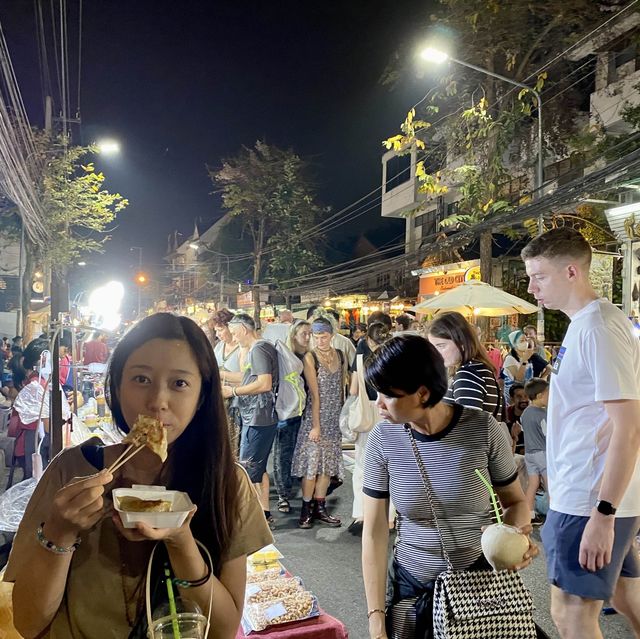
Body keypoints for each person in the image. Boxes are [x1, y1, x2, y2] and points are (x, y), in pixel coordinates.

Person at [5, 312, 273, 639]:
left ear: (202, 395)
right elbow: (28, 621)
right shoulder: (71, 471)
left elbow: (223, 630)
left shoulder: (227, 483)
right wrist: (60, 532)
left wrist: (180, 541)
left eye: (179, 383)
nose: (157, 402)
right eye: (141, 379)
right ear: (116, 387)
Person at [361, 334, 535, 639]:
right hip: (411, 588)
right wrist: (376, 620)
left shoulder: (482, 428)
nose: (378, 404)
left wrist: (511, 540)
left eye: (387, 394)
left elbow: (515, 502)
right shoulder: (382, 439)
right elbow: (374, 531)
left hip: (477, 587)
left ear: (423, 393)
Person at [522, 226, 640, 639]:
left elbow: (628, 426)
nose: (532, 287)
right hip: (593, 494)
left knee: (571, 614)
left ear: (572, 272)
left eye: (540, 276)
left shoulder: (598, 327)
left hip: (591, 498)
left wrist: (603, 514)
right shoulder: (587, 324)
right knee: (628, 596)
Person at [221, 314, 279, 528]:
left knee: (247, 468)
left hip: (259, 416)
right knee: (258, 467)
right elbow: (249, 378)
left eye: (235, 334)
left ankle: (251, 518)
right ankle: (263, 513)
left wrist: (233, 391)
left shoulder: (258, 349)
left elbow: (264, 383)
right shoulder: (259, 349)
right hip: (258, 415)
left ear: (244, 330)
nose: (234, 339)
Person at [291, 316, 345, 529]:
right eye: (316, 336)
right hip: (316, 417)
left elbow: (342, 388)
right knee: (311, 466)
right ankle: (306, 509)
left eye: (324, 336)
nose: (320, 340)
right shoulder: (310, 358)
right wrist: (315, 425)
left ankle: (320, 508)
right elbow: (314, 394)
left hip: (334, 416)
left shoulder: (340, 355)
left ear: (331, 335)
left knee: (327, 466)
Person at [347, 321, 391, 536]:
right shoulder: (393, 357)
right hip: (391, 413)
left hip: (367, 416)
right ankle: (390, 516)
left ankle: (362, 514)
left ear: (368, 338)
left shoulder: (360, 358)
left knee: (363, 467)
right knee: (392, 465)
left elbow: (354, 390)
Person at [427, 311, 500, 415]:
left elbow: (468, 426)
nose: (435, 353)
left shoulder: (467, 374)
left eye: (441, 346)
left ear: (461, 342)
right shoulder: (479, 369)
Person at [273, 320, 311, 514]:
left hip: (305, 412)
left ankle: (301, 492)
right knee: (283, 455)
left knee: (302, 454)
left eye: (309, 333)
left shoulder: (310, 357)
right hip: (286, 412)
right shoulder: (286, 357)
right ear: (294, 335)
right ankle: (283, 495)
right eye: (304, 333)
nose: (307, 337)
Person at [211, 309, 242, 450]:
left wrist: (220, 374)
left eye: (220, 330)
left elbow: (245, 378)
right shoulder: (219, 347)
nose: (217, 334)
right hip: (219, 404)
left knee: (234, 446)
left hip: (237, 406)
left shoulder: (242, 348)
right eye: (216, 330)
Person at [521, 377, 549, 526]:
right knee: (550, 485)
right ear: (539, 396)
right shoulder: (542, 414)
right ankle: (553, 515)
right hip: (542, 454)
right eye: (547, 394)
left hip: (529, 454)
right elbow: (547, 434)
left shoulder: (525, 413)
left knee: (532, 485)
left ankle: (529, 515)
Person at [502, 329, 550, 405]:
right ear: (514, 344)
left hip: (527, 396)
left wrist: (540, 378)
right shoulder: (510, 359)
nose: (525, 342)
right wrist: (524, 360)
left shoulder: (530, 356)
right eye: (521, 341)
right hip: (514, 399)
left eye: (525, 340)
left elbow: (550, 368)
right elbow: (518, 379)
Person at [506, 383, 529, 454]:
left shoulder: (535, 414)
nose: (523, 399)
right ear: (512, 399)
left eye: (526, 396)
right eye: (519, 396)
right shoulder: (506, 414)